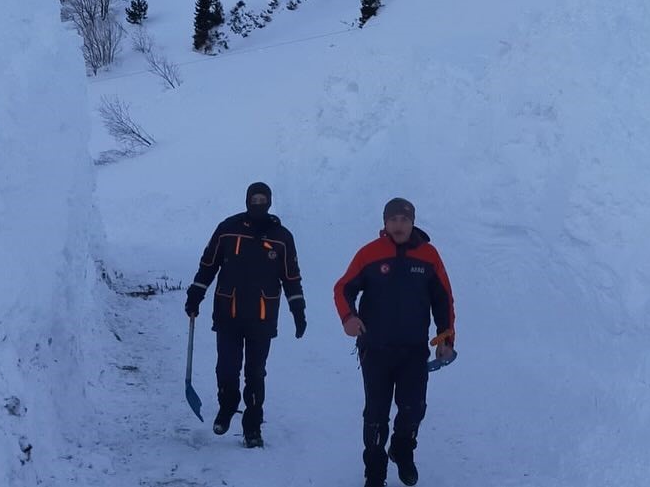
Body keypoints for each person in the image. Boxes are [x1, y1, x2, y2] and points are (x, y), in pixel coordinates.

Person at [334, 197, 456, 487]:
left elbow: (443, 300)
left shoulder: (429, 256)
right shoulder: (370, 254)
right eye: (393, 220)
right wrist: (348, 317)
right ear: (385, 223)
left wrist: (445, 338)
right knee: (376, 413)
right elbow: (342, 289)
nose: (398, 225)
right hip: (375, 348)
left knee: (414, 408)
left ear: (412, 221)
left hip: (413, 350)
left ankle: (402, 450)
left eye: (404, 219)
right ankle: (374, 474)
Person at [185, 182, 306, 448]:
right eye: (255, 198)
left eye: (263, 199)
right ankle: (227, 406)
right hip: (228, 311)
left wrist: (298, 309)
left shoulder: (282, 237)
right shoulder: (228, 229)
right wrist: (196, 294)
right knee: (227, 367)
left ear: (270, 202)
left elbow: (291, 277)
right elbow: (208, 264)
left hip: (262, 316)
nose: (258, 203)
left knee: (255, 372)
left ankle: (252, 426)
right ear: (247, 200)